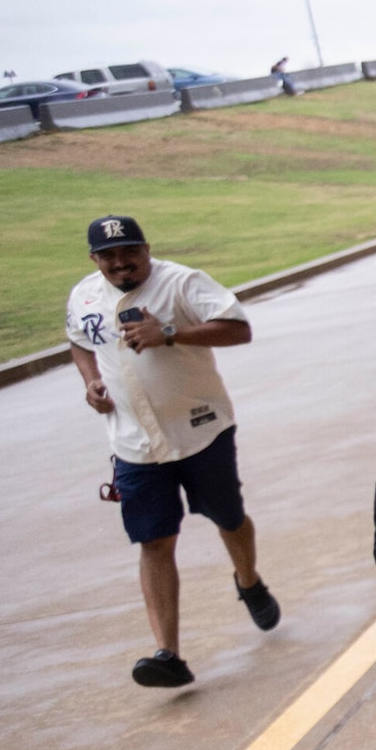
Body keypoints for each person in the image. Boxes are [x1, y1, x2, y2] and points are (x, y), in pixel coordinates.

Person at [66, 215, 282, 687]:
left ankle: (248, 579)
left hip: (201, 430)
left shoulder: (181, 283)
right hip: (134, 444)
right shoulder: (83, 295)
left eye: (130, 253)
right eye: (109, 257)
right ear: (94, 259)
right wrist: (92, 383)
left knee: (228, 517)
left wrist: (169, 333)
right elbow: (79, 341)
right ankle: (168, 653)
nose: (121, 265)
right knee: (154, 540)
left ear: (147, 249)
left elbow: (237, 328)